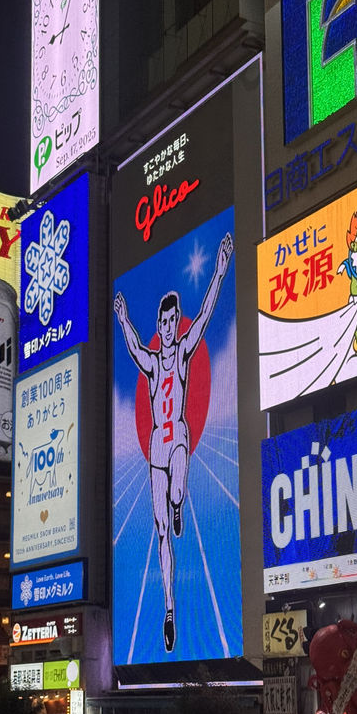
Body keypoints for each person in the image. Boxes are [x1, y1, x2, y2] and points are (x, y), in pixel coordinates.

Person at [114, 231, 233, 653]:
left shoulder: (182, 352)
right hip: (155, 451)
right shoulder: (150, 360)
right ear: (157, 325)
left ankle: (179, 500)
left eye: (171, 321)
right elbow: (130, 346)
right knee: (162, 532)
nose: (167, 329)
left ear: (175, 321)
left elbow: (204, 315)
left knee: (177, 490)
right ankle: (169, 608)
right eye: (162, 323)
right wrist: (124, 319)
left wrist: (219, 271)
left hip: (177, 438)